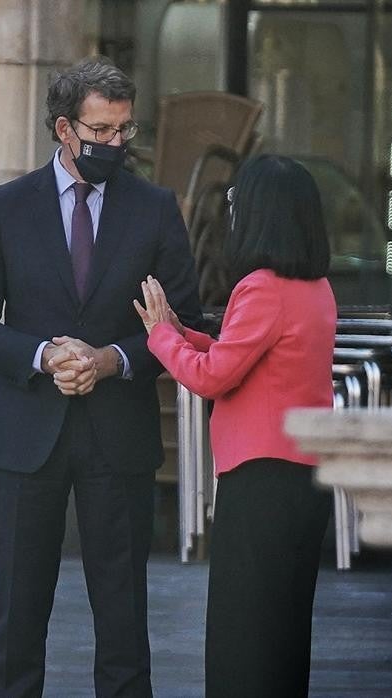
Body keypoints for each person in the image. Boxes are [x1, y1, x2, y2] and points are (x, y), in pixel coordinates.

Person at [0, 57, 203, 697]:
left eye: (124, 132)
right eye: (101, 133)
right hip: (25, 432)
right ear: (64, 129)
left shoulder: (154, 209)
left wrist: (110, 359)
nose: (115, 145)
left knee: (123, 617)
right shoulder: (6, 207)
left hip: (117, 434)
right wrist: (44, 355)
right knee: (18, 616)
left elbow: (188, 322)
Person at [136, 154, 336, 698]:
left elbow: (211, 378)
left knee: (241, 639)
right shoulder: (316, 288)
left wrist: (159, 334)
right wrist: (184, 332)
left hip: (261, 480)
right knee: (284, 634)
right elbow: (249, 359)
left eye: (235, 204)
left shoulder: (261, 287)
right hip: (306, 479)